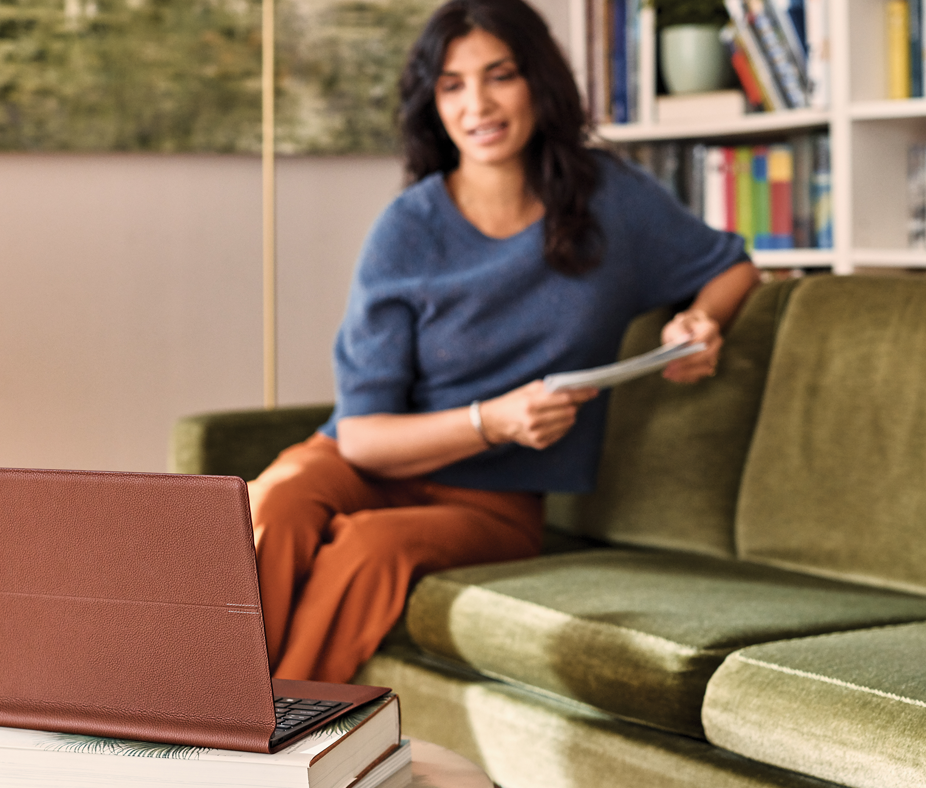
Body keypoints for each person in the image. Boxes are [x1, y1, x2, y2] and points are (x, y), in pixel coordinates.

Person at [248, 0, 759, 683]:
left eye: (500, 75)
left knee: (368, 548)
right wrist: (494, 420)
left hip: (492, 504)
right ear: (432, 103)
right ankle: (196, 721)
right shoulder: (406, 229)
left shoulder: (610, 199)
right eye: (452, 84)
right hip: (368, 461)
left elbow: (730, 263)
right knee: (272, 502)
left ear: (538, 84)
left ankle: (279, 739)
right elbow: (364, 437)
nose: (478, 104)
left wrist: (701, 320)